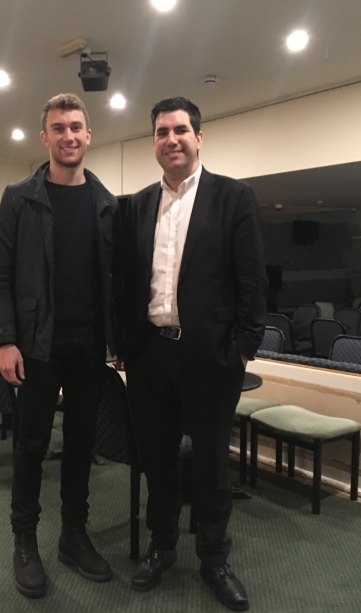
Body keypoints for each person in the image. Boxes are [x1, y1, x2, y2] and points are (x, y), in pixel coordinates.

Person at [121, 96, 267, 611]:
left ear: (199, 138)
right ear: (154, 142)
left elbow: (253, 284)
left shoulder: (234, 198)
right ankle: (162, 548)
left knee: (210, 467)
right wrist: (124, 349)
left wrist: (241, 350)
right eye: (161, 132)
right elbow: (124, 282)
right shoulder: (135, 205)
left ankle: (214, 560)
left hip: (211, 360)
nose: (171, 139)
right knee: (158, 462)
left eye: (180, 130)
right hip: (149, 358)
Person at [0, 93, 121, 598]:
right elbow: (0, 276)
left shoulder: (107, 203)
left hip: (89, 346)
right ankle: (25, 540)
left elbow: (117, 281)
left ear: (89, 134)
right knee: (31, 446)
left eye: (76, 127)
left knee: (82, 445)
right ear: (44, 137)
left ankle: (73, 534)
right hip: (37, 346)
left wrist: (120, 340)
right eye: (58, 128)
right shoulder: (19, 197)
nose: (69, 135)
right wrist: (5, 340)